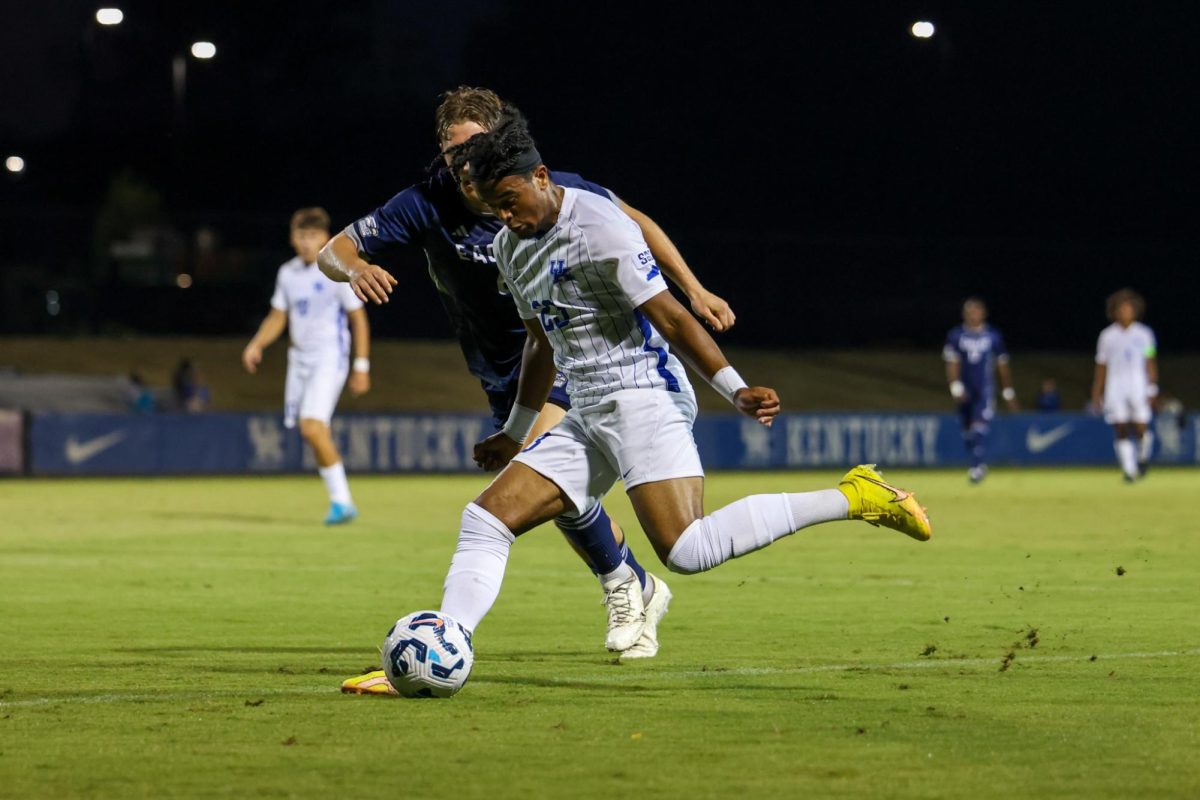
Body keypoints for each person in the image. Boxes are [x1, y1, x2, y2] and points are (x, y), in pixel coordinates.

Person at [382, 111, 930, 679]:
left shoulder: (599, 223)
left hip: (644, 395)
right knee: (486, 518)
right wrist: (514, 433)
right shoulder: (510, 246)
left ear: (541, 176)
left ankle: (854, 495)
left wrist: (736, 390)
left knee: (687, 551)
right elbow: (540, 346)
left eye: (510, 198)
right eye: (494, 206)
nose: (505, 215)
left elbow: (669, 317)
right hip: (585, 409)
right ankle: (443, 645)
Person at [322, 88, 734, 669]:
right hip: (503, 371)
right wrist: (358, 266)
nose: (460, 163)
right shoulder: (423, 203)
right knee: (559, 496)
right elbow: (332, 252)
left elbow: (637, 223)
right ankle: (632, 582)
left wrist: (693, 289)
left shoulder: (547, 188)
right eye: (450, 151)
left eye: (472, 148)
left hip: (573, 355)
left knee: (532, 483)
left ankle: (619, 586)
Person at [242, 207, 371, 524]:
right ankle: (340, 500)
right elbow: (278, 315)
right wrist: (258, 343)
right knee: (313, 431)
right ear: (292, 238)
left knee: (311, 427)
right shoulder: (288, 273)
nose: (306, 242)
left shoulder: (336, 269)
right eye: (301, 235)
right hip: (298, 360)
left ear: (325, 238)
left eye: (312, 236)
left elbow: (358, 319)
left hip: (329, 356)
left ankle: (343, 503)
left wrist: (361, 366)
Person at [942, 297, 1018, 483]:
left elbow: (1002, 365)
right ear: (964, 314)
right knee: (967, 431)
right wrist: (955, 385)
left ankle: (976, 467)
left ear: (983, 313)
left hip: (984, 390)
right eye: (970, 311)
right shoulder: (955, 335)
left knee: (979, 427)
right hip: (964, 390)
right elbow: (952, 362)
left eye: (976, 311)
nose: (973, 315)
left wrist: (1007, 390)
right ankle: (978, 462)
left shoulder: (993, 336)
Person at [1091, 288, 1158, 481]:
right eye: (1121, 309)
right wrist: (1097, 392)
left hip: (1138, 386)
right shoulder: (1107, 336)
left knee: (1140, 428)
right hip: (1116, 387)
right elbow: (1101, 366)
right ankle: (1129, 470)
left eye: (1129, 309)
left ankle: (1143, 457)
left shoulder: (1145, 334)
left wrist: (1152, 388)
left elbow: (1150, 362)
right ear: (1114, 311)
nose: (1125, 312)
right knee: (1119, 427)